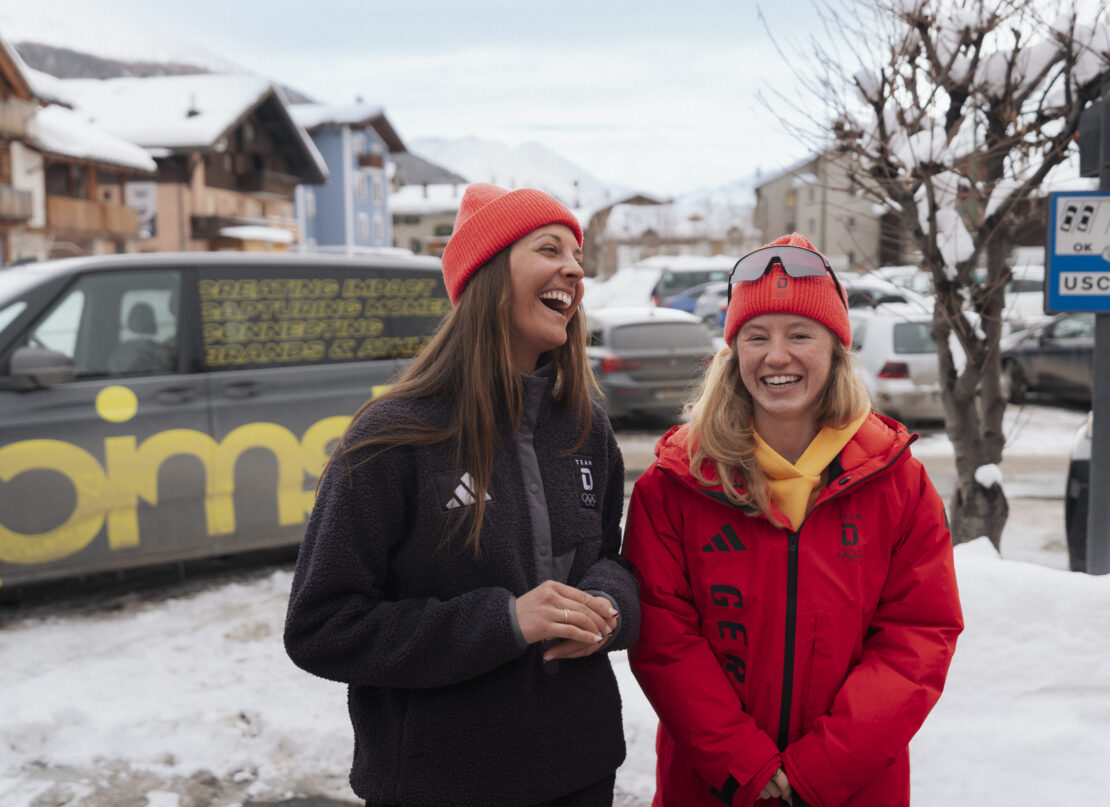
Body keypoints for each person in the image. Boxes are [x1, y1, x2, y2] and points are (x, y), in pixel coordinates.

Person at [284, 183, 639, 807]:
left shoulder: (586, 428)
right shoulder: (393, 436)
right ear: (488, 275)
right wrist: (504, 622)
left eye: (578, 257)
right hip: (440, 784)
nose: (574, 270)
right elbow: (322, 626)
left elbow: (611, 561)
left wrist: (607, 608)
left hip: (581, 771)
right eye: (550, 249)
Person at [622, 233, 963, 807]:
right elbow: (664, 640)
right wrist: (743, 764)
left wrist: (820, 769)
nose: (776, 356)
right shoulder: (676, 484)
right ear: (734, 352)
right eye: (757, 336)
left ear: (836, 349)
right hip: (711, 786)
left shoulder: (898, 483)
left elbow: (918, 637)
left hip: (852, 788)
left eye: (800, 334)